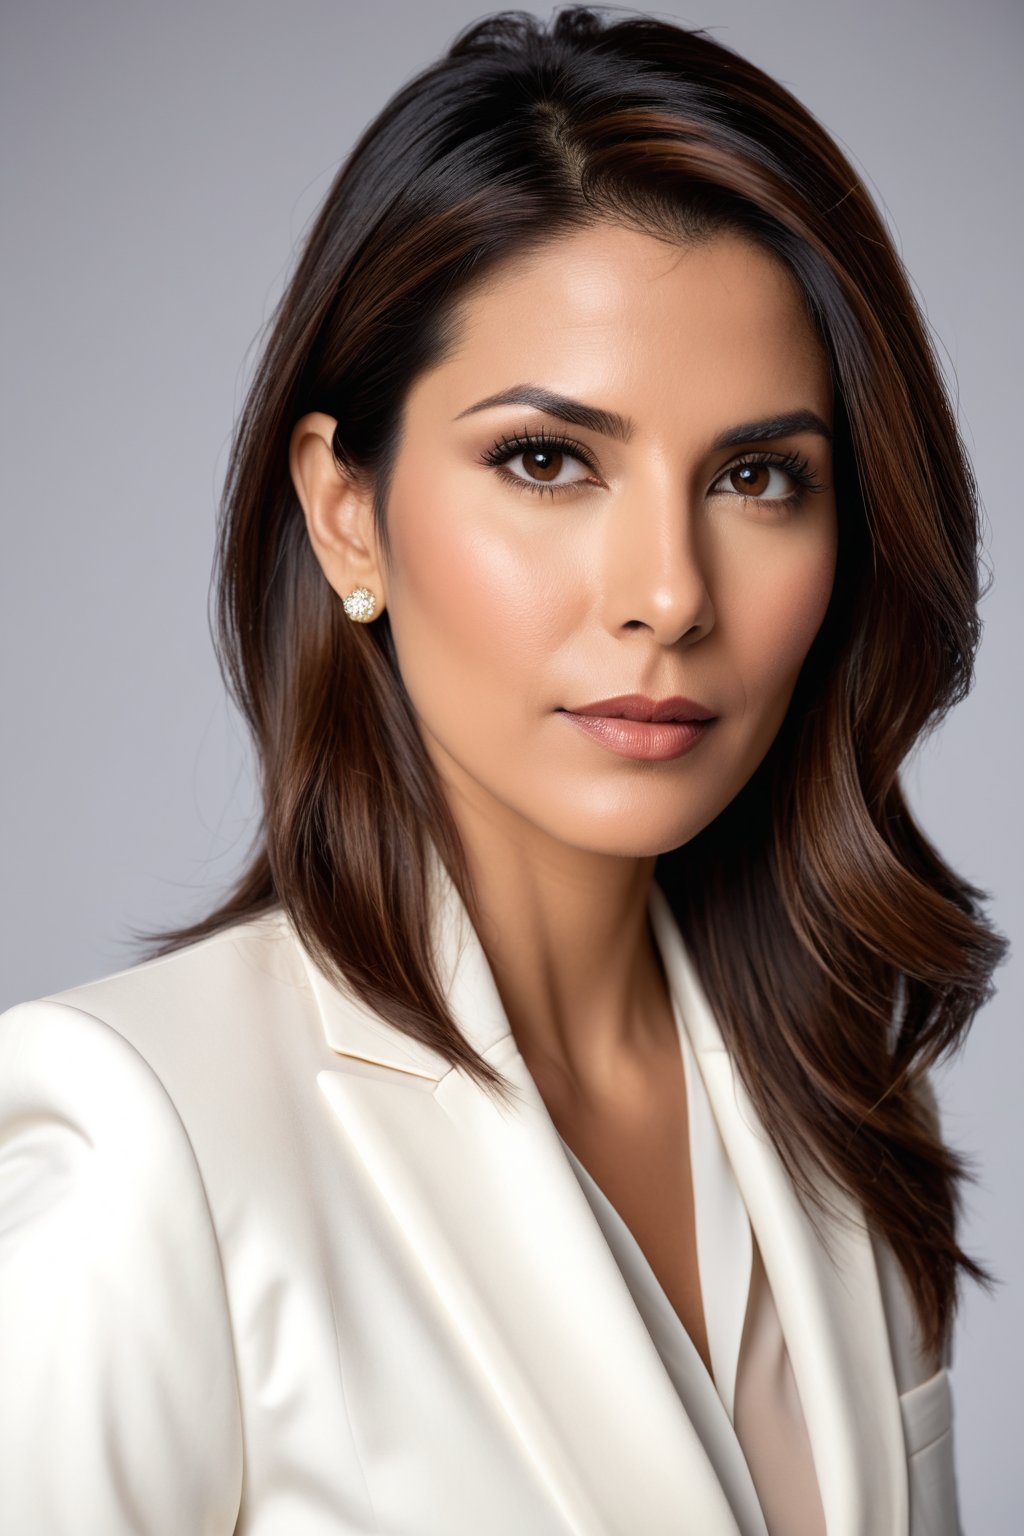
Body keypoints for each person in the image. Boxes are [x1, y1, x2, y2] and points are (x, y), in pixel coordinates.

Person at [0, 8, 1007, 1534]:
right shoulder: (146, 1151)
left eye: (757, 478)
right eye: (547, 459)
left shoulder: (847, 1122)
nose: (668, 592)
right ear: (347, 514)